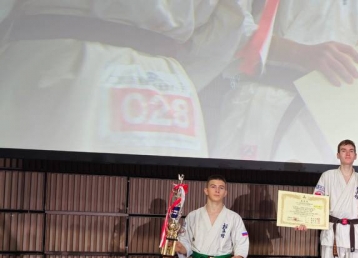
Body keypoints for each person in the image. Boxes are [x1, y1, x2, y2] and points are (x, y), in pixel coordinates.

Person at [0, 0, 257, 158]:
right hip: (168, 85)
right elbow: (230, 23)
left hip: (57, 63)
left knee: (35, 210)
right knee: (150, 216)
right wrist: (178, 76)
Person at [214, 0, 358, 162]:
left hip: (340, 120)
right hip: (267, 107)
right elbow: (223, 26)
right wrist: (299, 53)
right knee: (255, 194)